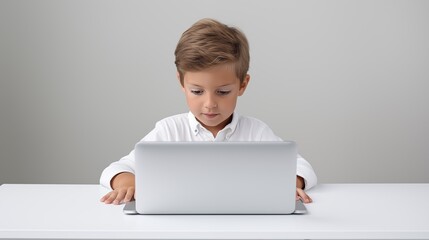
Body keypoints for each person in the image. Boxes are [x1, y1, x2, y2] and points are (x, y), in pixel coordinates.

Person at [100, 18, 317, 205]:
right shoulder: (169, 130)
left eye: (222, 92)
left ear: (242, 85)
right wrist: (127, 183)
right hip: (179, 223)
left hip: (243, 221)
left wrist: (290, 183)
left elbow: (301, 166)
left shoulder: (256, 132)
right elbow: (118, 167)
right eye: (197, 91)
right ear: (182, 83)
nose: (209, 104)